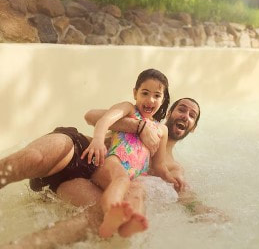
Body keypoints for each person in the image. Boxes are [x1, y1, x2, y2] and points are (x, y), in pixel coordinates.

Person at [0, 98, 226, 249]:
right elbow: (92, 116)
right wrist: (138, 127)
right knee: (34, 158)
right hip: (77, 150)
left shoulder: (173, 169)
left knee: (103, 217)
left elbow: (185, 197)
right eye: (182, 109)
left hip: (80, 187)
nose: (185, 115)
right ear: (169, 113)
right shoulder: (143, 120)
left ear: (193, 126)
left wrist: (206, 211)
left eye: (192, 114)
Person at [80, 68, 177, 238]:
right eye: (145, 93)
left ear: (163, 99)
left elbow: (159, 165)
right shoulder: (129, 110)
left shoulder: (162, 130)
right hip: (114, 161)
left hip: (136, 174)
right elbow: (105, 120)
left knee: (136, 194)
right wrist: (98, 139)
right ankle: (111, 212)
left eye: (157, 95)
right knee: (121, 179)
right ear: (135, 93)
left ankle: (128, 224)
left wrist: (171, 178)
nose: (150, 100)